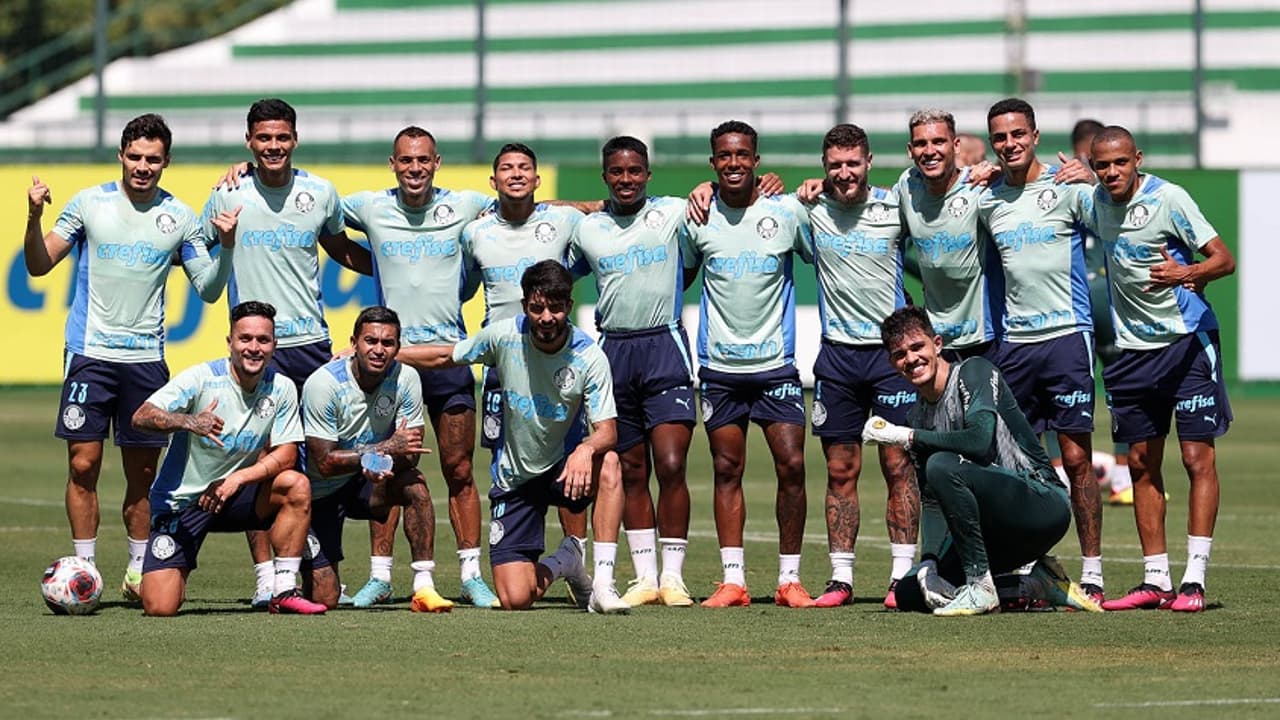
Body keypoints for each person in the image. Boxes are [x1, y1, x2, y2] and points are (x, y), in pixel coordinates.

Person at [23, 113, 237, 603]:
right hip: (89, 357)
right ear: (121, 155)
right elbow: (38, 265)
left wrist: (224, 247)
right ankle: (86, 570)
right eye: (135, 157)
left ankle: (138, 571)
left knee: (142, 474)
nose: (143, 166)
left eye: (153, 159)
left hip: (144, 361)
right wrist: (34, 217)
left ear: (166, 162)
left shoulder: (179, 217)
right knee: (83, 465)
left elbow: (207, 289)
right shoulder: (89, 204)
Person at [204, 97, 372, 607]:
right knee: (259, 458)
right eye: (264, 139)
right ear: (249, 142)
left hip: (310, 347)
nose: (273, 146)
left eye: (282, 138)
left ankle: (320, 556)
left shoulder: (320, 192)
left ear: (294, 140)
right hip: (257, 347)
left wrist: (393, 272)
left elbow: (340, 247)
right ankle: (267, 577)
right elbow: (205, 258)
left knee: (318, 462)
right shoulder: (227, 194)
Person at [398, 260, 629, 613]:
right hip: (516, 479)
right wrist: (388, 356)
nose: (546, 317)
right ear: (525, 307)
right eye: (537, 308)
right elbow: (446, 355)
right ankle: (565, 560)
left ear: (568, 306)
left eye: (555, 308)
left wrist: (586, 450)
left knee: (609, 461)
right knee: (514, 598)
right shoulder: (504, 336)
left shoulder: (589, 356)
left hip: (565, 468)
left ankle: (602, 584)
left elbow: (608, 432)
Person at [338, 127, 499, 609]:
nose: (414, 168)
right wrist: (377, 264)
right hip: (391, 363)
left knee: (459, 468)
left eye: (423, 160)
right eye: (406, 161)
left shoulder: (465, 206)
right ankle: (381, 577)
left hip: (448, 358)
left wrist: (592, 208)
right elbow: (319, 220)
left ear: (437, 162)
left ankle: (471, 575)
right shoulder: (369, 207)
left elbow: (527, 203)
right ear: (392, 163)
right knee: (385, 467)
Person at [864, 306, 1101, 615]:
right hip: (994, 529)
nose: (910, 359)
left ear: (937, 344)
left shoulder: (974, 371)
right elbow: (932, 500)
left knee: (942, 465)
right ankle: (1036, 584)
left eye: (917, 347)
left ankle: (981, 586)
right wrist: (929, 563)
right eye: (899, 354)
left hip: (1043, 505)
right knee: (910, 593)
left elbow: (979, 440)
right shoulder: (917, 415)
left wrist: (907, 437)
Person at [1087, 126, 1235, 613]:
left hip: (1186, 342)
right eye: (1102, 165)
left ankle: (1194, 579)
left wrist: (1187, 273)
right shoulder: (1092, 201)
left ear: (1137, 160)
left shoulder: (1170, 198)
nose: (1111, 173)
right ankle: (1156, 579)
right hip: (1130, 352)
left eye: (1120, 163)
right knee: (1141, 464)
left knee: (1196, 459)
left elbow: (1223, 260)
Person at [977, 97, 1107, 604]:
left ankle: (1092, 570)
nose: (1009, 144)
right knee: (1015, 465)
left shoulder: (1068, 187)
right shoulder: (987, 199)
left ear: (1034, 135)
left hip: (1067, 338)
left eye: (1017, 134)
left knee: (1076, 458)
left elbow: (1118, 214)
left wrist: (1092, 180)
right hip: (1015, 345)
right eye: (1000, 137)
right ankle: (1030, 565)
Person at [681, 120, 815, 608]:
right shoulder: (697, 218)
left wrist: (806, 189)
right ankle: (733, 580)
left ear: (756, 161)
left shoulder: (786, 212)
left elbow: (822, 251)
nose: (733, 163)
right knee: (726, 469)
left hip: (776, 366)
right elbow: (682, 272)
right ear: (713, 163)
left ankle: (789, 580)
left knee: (793, 466)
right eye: (724, 156)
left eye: (742, 155)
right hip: (720, 368)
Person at [460, 142, 594, 606]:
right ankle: (517, 547)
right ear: (493, 180)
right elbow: (463, 285)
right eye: (506, 169)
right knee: (506, 459)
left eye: (525, 168)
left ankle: (576, 554)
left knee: (572, 451)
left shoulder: (564, 221)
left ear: (538, 179)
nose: (516, 174)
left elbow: (600, 220)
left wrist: (584, 204)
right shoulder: (475, 232)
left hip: (556, 360)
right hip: (505, 364)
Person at [566, 136, 698, 607]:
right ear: (606, 177)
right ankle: (645, 578)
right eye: (617, 172)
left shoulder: (674, 212)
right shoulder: (589, 228)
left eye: (635, 171)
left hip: (664, 345)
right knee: (632, 468)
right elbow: (563, 260)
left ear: (648, 173)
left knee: (672, 464)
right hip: (613, 352)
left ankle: (675, 577)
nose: (627, 179)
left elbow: (717, 196)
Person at [795, 124, 922, 609]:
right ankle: (841, 579)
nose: (844, 173)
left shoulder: (896, 207)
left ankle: (902, 577)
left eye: (853, 163)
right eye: (834, 165)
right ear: (824, 167)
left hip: (891, 358)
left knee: (897, 466)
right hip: (838, 357)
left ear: (869, 162)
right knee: (840, 469)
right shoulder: (810, 211)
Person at [131, 301, 325, 616]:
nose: (254, 347)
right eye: (245, 338)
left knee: (295, 484)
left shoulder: (282, 388)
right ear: (230, 342)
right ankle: (162, 570)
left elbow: (288, 453)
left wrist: (237, 479)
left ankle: (284, 589)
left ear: (274, 345)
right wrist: (189, 422)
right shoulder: (201, 378)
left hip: (236, 496)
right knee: (160, 606)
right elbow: (141, 416)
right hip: (184, 504)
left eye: (263, 340)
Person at [300, 306, 453, 612]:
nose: (379, 350)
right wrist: (378, 451)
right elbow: (325, 462)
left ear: (398, 347)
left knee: (415, 485)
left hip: (364, 481)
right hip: (317, 492)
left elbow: (410, 452)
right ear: (354, 342)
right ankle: (276, 579)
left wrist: (379, 464)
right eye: (371, 341)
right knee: (323, 599)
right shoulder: (323, 384)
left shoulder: (406, 378)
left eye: (388, 343)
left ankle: (424, 586)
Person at [1062, 117, 1136, 506]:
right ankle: (1064, 474)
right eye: (1093, 159)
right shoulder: (1061, 187)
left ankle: (1122, 478)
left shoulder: (1113, 191)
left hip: (1110, 304)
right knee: (1068, 392)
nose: (1101, 169)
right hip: (1077, 306)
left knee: (1120, 388)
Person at [895, 110, 1003, 357]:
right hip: (937, 340)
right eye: (921, 144)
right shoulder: (907, 186)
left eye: (938, 142)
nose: (930, 151)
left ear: (955, 146)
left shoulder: (981, 187)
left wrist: (1001, 172)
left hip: (986, 336)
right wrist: (826, 185)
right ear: (910, 150)